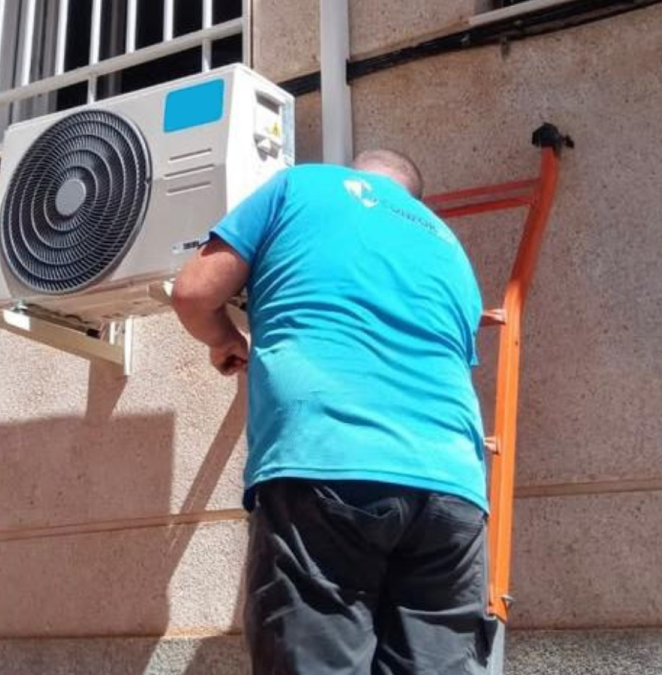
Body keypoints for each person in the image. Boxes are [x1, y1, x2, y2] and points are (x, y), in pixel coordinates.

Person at [171, 149, 490, 674]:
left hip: (329, 459)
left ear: (352, 171)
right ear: (412, 197)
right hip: (452, 488)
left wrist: (224, 339)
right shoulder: (450, 247)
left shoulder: (301, 187)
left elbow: (193, 293)